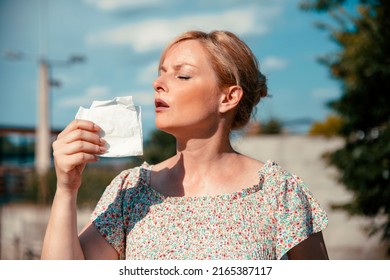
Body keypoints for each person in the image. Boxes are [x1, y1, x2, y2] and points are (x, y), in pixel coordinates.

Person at [41, 30, 329, 260]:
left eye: (182, 75)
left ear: (228, 97)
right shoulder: (130, 191)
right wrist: (66, 188)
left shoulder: (280, 193)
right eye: (161, 72)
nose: (158, 83)